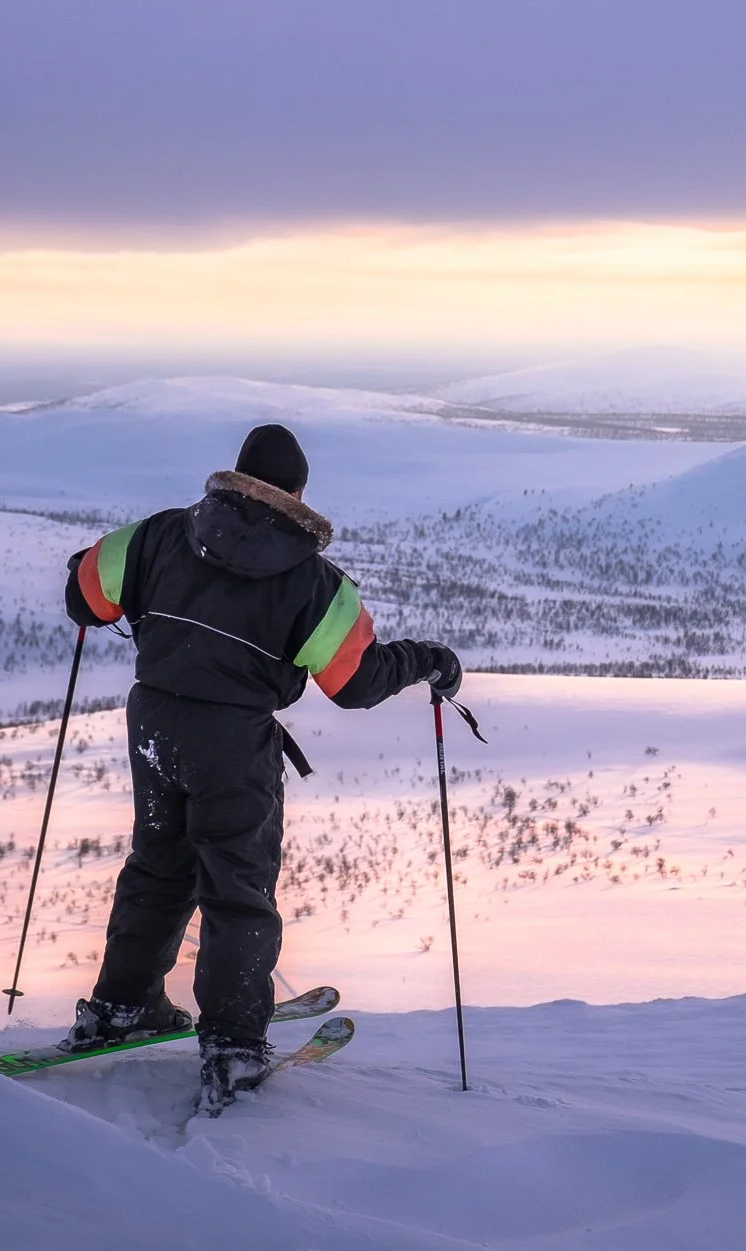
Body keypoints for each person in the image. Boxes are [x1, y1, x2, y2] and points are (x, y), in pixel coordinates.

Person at [58, 423, 461, 1110]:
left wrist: (86, 568)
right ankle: (234, 1044)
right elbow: (355, 682)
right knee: (237, 884)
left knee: (158, 864)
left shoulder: (160, 533)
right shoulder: (314, 584)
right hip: (233, 742)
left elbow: (83, 598)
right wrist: (427, 660)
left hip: (153, 721)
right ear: (298, 494)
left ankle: (119, 1007)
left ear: (236, 474)